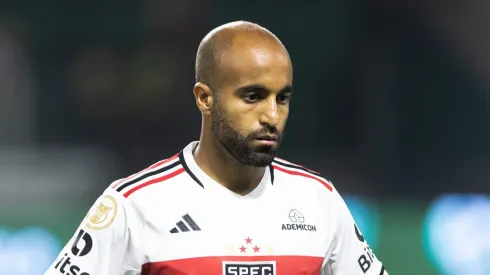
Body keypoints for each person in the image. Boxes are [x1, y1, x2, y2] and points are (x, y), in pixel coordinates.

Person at [44, 21, 387, 275]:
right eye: (252, 96)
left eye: (282, 99)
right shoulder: (134, 205)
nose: (272, 116)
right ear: (205, 99)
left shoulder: (319, 201)